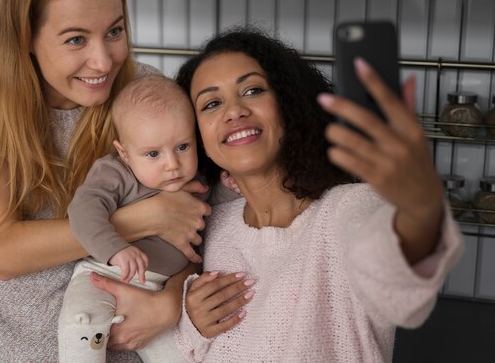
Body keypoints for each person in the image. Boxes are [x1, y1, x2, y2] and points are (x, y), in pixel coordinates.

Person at [0, 0, 214, 361]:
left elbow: (193, 228)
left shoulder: (141, 101)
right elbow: (4, 252)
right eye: (76, 39)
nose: (103, 61)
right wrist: (144, 218)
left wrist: (170, 301)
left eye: (115, 31)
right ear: (25, 34)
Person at [171, 27, 465, 362]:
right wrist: (192, 322)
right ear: (196, 135)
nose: (234, 111)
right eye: (211, 103)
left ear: (288, 105)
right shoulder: (214, 226)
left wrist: (417, 211)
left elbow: (398, 278)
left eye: (252, 90)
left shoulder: (347, 209)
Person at [59, 75, 238, 362]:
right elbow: (82, 211)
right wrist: (115, 249)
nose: (172, 165)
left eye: (182, 147)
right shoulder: (115, 172)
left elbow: (213, 211)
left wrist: (230, 190)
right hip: (103, 275)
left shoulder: (197, 180)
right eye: (153, 153)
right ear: (124, 153)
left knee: (180, 355)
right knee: (82, 325)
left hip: (160, 289)